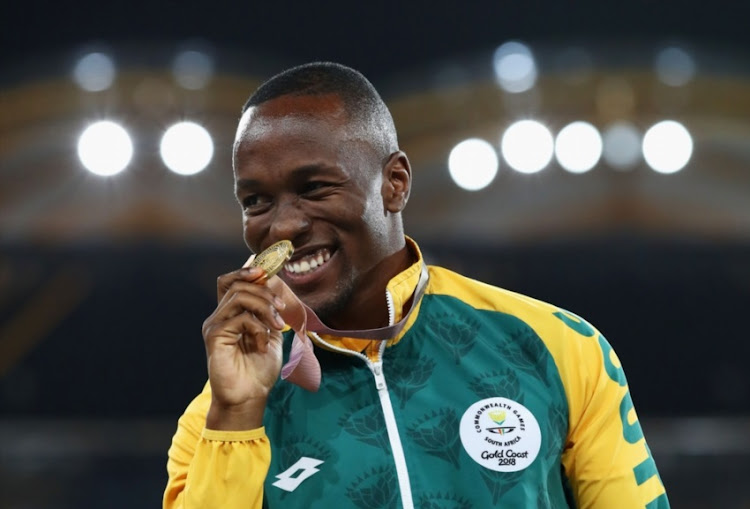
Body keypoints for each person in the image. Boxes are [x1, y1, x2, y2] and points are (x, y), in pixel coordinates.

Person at [163, 62, 670, 509]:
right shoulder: (219, 416)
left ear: (395, 183)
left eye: (314, 189)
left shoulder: (557, 347)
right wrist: (238, 414)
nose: (282, 227)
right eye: (256, 202)